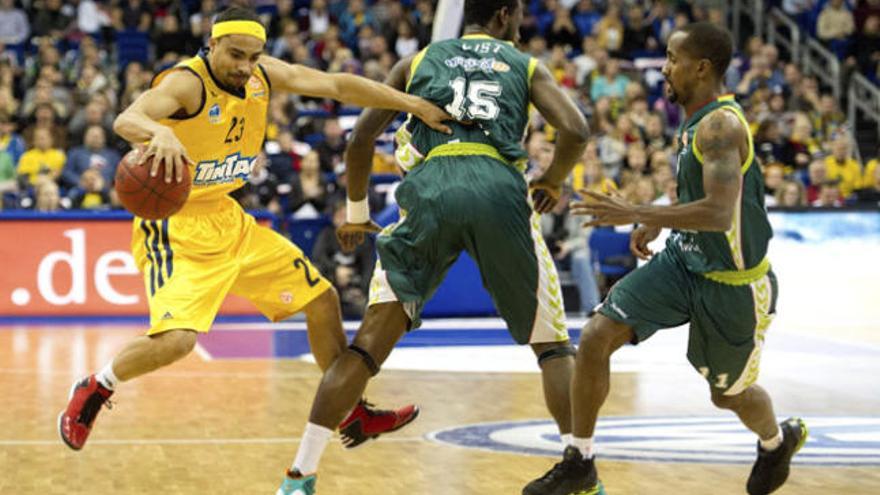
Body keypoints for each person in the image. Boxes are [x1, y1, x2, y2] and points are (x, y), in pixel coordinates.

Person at [58, 6, 454, 457]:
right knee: (177, 342)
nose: (245, 66)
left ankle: (351, 410)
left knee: (321, 300)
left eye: (253, 56)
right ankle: (96, 386)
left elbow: (335, 85)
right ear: (212, 45)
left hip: (228, 219)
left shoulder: (260, 75)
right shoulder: (188, 83)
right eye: (234, 55)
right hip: (176, 228)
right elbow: (126, 119)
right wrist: (158, 133)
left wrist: (412, 103)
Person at [277, 0, 590, 493]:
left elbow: (360, 141)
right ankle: (582, 468)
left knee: (365, 347)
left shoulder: (417, 62)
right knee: (553, 348)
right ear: (506, 15)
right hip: (497, 186)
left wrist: (358, 216)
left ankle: (300, 475)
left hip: (430, 188)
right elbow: (575, 130)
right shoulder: (526, 65)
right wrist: (551, 179)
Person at [524, 22, 806, 495]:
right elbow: (700, 186)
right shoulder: (695, 118)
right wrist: (660, 219)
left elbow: (718, 213)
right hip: (681, 262)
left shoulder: (721, 125)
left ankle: (777, 441)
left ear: (702, 67)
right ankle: (581, 461)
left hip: (733, 283)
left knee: (728, 394)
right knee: (595, 336)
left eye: (673, 59)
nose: (664, 69)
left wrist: (636, 210)